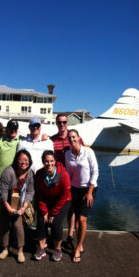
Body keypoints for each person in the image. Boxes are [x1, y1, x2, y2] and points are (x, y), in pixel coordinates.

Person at [50, 113, 84, 250]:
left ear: (67, 123)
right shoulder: (52, 140)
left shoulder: (75, 139)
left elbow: (83, 156)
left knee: (71, 210)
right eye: (59, 122)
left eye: (64, 122)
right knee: (55, 208)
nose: (62, 124)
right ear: (56, 124)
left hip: (72, 180)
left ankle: (70, 236)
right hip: (57, 179)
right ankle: (53, 234)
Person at [65, 129, 99, 263]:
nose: (72, 140)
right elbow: (68, 174)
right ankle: (80, 241)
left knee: (82, 219)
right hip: (75, 189)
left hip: (88, 189)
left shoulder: (88, 152)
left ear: (79, 138)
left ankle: (78, 248)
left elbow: (95, 172)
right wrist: (67, 190)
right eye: (69, 138)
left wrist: (90, 192)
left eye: (74, 137)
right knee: (77, 222)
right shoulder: (68, 154)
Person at [0, 150, 35, 263]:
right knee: (4, 225)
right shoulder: (8, 172)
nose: (23, 162)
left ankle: (20, 251)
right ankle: (5, 249)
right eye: (21, 159)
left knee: (18, 226)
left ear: (29, 161)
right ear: (16, 160)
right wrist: (7, 207)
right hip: (6, 201)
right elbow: (2, 191)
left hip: (20, 202)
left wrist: (24, 207)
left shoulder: (30, 174)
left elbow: (30, 192)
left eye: (26, 160)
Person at [34, 150, 72, 262]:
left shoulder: (63, 175)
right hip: (46, 200)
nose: (49, 164)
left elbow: (64, 196)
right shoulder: (39, 174)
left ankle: (57, 249)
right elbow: (39, 194)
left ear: (55, 161)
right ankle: (41, 248)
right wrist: (45, 211)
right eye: (46, 161)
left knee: (55, 222)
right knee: (41, 220)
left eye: (51, 161)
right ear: (42, 162)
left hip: (62, 201)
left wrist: (53, 213)